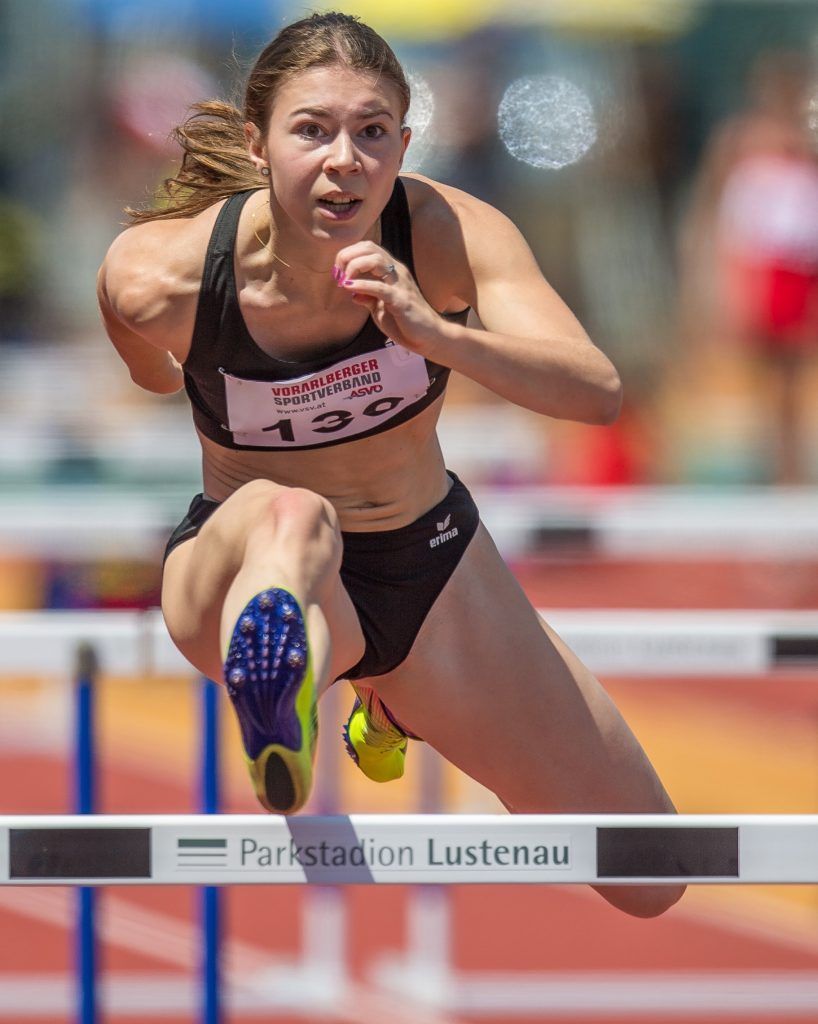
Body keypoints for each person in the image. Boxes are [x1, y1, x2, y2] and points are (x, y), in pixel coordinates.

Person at [97, 11, 683, 917]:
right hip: (245, 561)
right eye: (313, 130)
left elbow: (596, 390)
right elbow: (144, 374)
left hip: (429, 561)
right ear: (256, 144)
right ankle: (287, 694)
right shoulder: (156, 278)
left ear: (405, 142)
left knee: (650, 872)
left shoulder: (446, 230)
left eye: (372, 133)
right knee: (295, 518)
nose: (345, 161)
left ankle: (379, 689)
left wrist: (437, 331)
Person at [679, 50, 818, 484]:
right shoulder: (739, 141)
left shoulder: (806, 144)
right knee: (760, 380)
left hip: (798, 265)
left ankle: (789, 471)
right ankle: (776, 472)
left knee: (793, 381)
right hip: (759, 266)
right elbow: (711, 211)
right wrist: (709, 275)